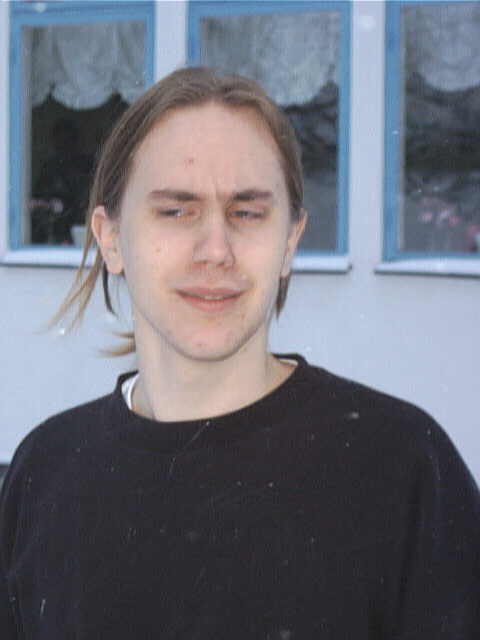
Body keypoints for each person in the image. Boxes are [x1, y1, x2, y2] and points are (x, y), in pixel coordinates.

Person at [1, 67, 479, 639]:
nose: (216, 250)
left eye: (247, 212)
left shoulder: (404, 471)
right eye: (175, 210)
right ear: (110, 238)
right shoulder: (45, 474)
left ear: (290, 241)